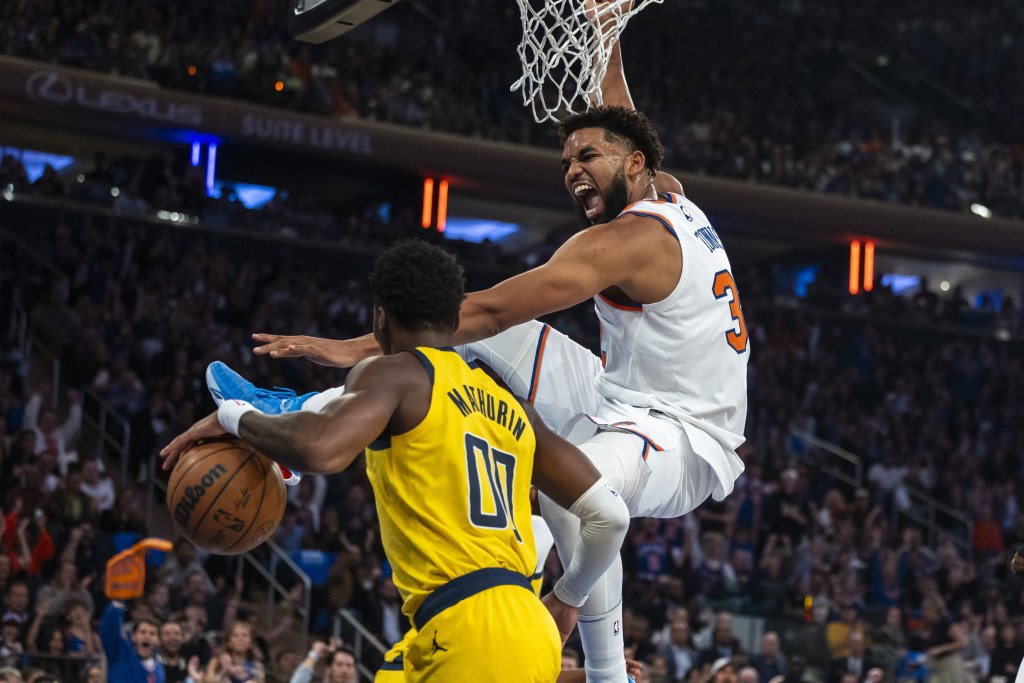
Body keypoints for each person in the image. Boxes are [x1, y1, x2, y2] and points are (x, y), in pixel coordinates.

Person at [207, 13, 746, 680]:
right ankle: (300, 408)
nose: (574, 171)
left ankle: (608, 672)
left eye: (587, 158)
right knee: (491, 353)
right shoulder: (665, 191)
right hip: (616, 391)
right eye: (567, 162)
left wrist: (351, 348)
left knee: (578, 489)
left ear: (632, 167)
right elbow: (621, 118)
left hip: (685, 438)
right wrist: (607, 34)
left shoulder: (622, 242)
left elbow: (483, 309)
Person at [161, 240, 630, 682]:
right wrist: (569, 598)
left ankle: (280, 408)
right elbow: (609, 517)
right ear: (454, 319)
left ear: (380, 319)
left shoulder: (396, 373)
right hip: (530, 632)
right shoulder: (514, 409)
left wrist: (234, 416)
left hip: (466, 626)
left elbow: (321, 447)